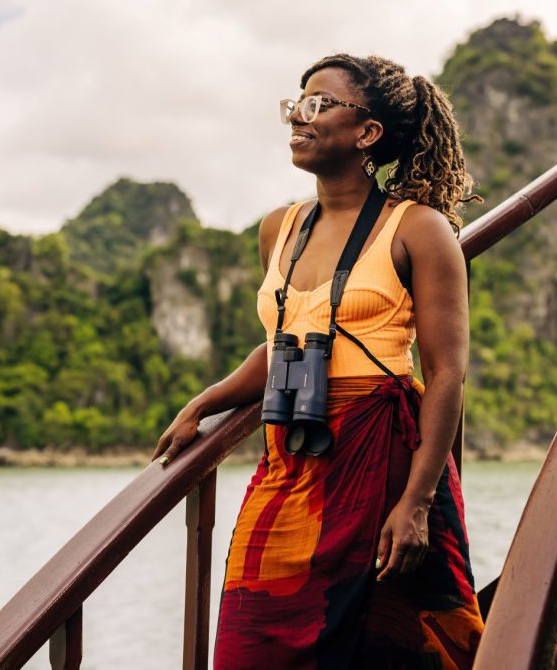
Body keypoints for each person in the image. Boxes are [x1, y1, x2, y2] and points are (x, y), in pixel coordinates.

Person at [153, 53, 484, 669]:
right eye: (298, 103)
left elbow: (446, 373)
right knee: (251, 642)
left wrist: (416, 500)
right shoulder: (279, 227)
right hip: (290, 460)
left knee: (392, 641)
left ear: (368, 133)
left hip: (380, 453)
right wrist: (205, 401)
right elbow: (285, 343)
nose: (300, 117)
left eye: (321, 104)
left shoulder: (418, 229)